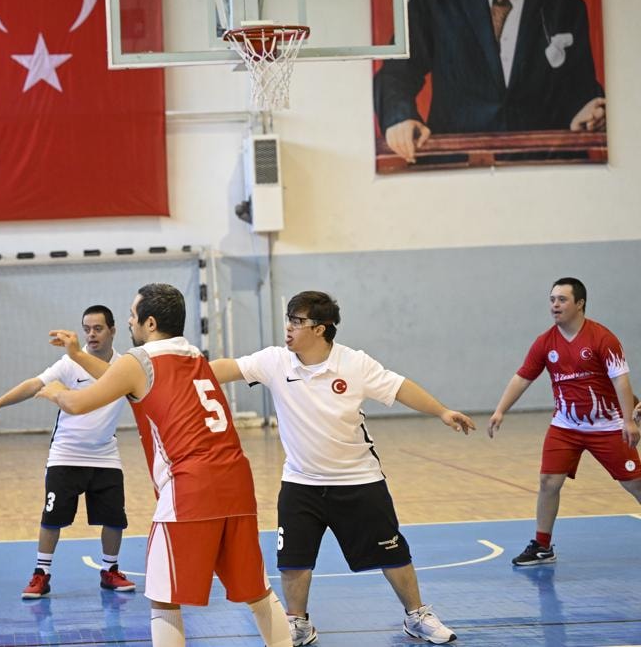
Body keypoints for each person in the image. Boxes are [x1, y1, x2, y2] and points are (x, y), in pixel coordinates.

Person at [37, 283, 293, 647]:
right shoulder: (194, 357)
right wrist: (77, 354)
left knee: (163, 598)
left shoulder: (138, 361)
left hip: (189, 488)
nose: (129, 320)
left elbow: (79, 403)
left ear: (150, 322)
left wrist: (56, 392)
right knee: (257, 592)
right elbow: (120, 379)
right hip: (236, 483)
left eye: (132, 314)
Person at [211, 291, 472, 646]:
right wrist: (177, 369)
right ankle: (297, 623)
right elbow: (225, 368)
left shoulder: (355, 364)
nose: (288, 327)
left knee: (393, 553)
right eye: (288, 319)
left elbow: (400, 387)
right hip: (301, 482)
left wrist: (441, 411)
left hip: (359, 480)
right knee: (293, 561)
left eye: (297, 321)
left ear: (320, 329)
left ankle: (416, 616)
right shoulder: (275, 361)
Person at [374, 0, 605, 163]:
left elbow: (579, 85)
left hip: (545, 164)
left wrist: (591, 108)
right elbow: (395, 74)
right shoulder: (433, 1)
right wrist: (400, 118)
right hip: (456, 165)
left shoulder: (565, 5)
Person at [0, 305, 136, 598]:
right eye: (86, 329)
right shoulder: (70, 363)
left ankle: (110, 570)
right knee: (52, 518)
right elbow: (34, 384)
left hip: (105, 455)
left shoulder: (124, 367)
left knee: (114, 519)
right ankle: (41, 573)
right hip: (66, 454)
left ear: (112, 330)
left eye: (98, 328)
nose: (91, 334)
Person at [488, 277, 641, 566]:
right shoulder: (545, 342)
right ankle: (542, 546)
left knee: (635, 484)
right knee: (548, 482)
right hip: (566, 427)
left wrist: (628, 421)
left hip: (608, 427)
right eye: (552, 300)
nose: (555, 305)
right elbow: (523, 377)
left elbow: (620, 380)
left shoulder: (603, 338)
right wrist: (500, 410)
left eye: (562, 300)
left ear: (580, 304)